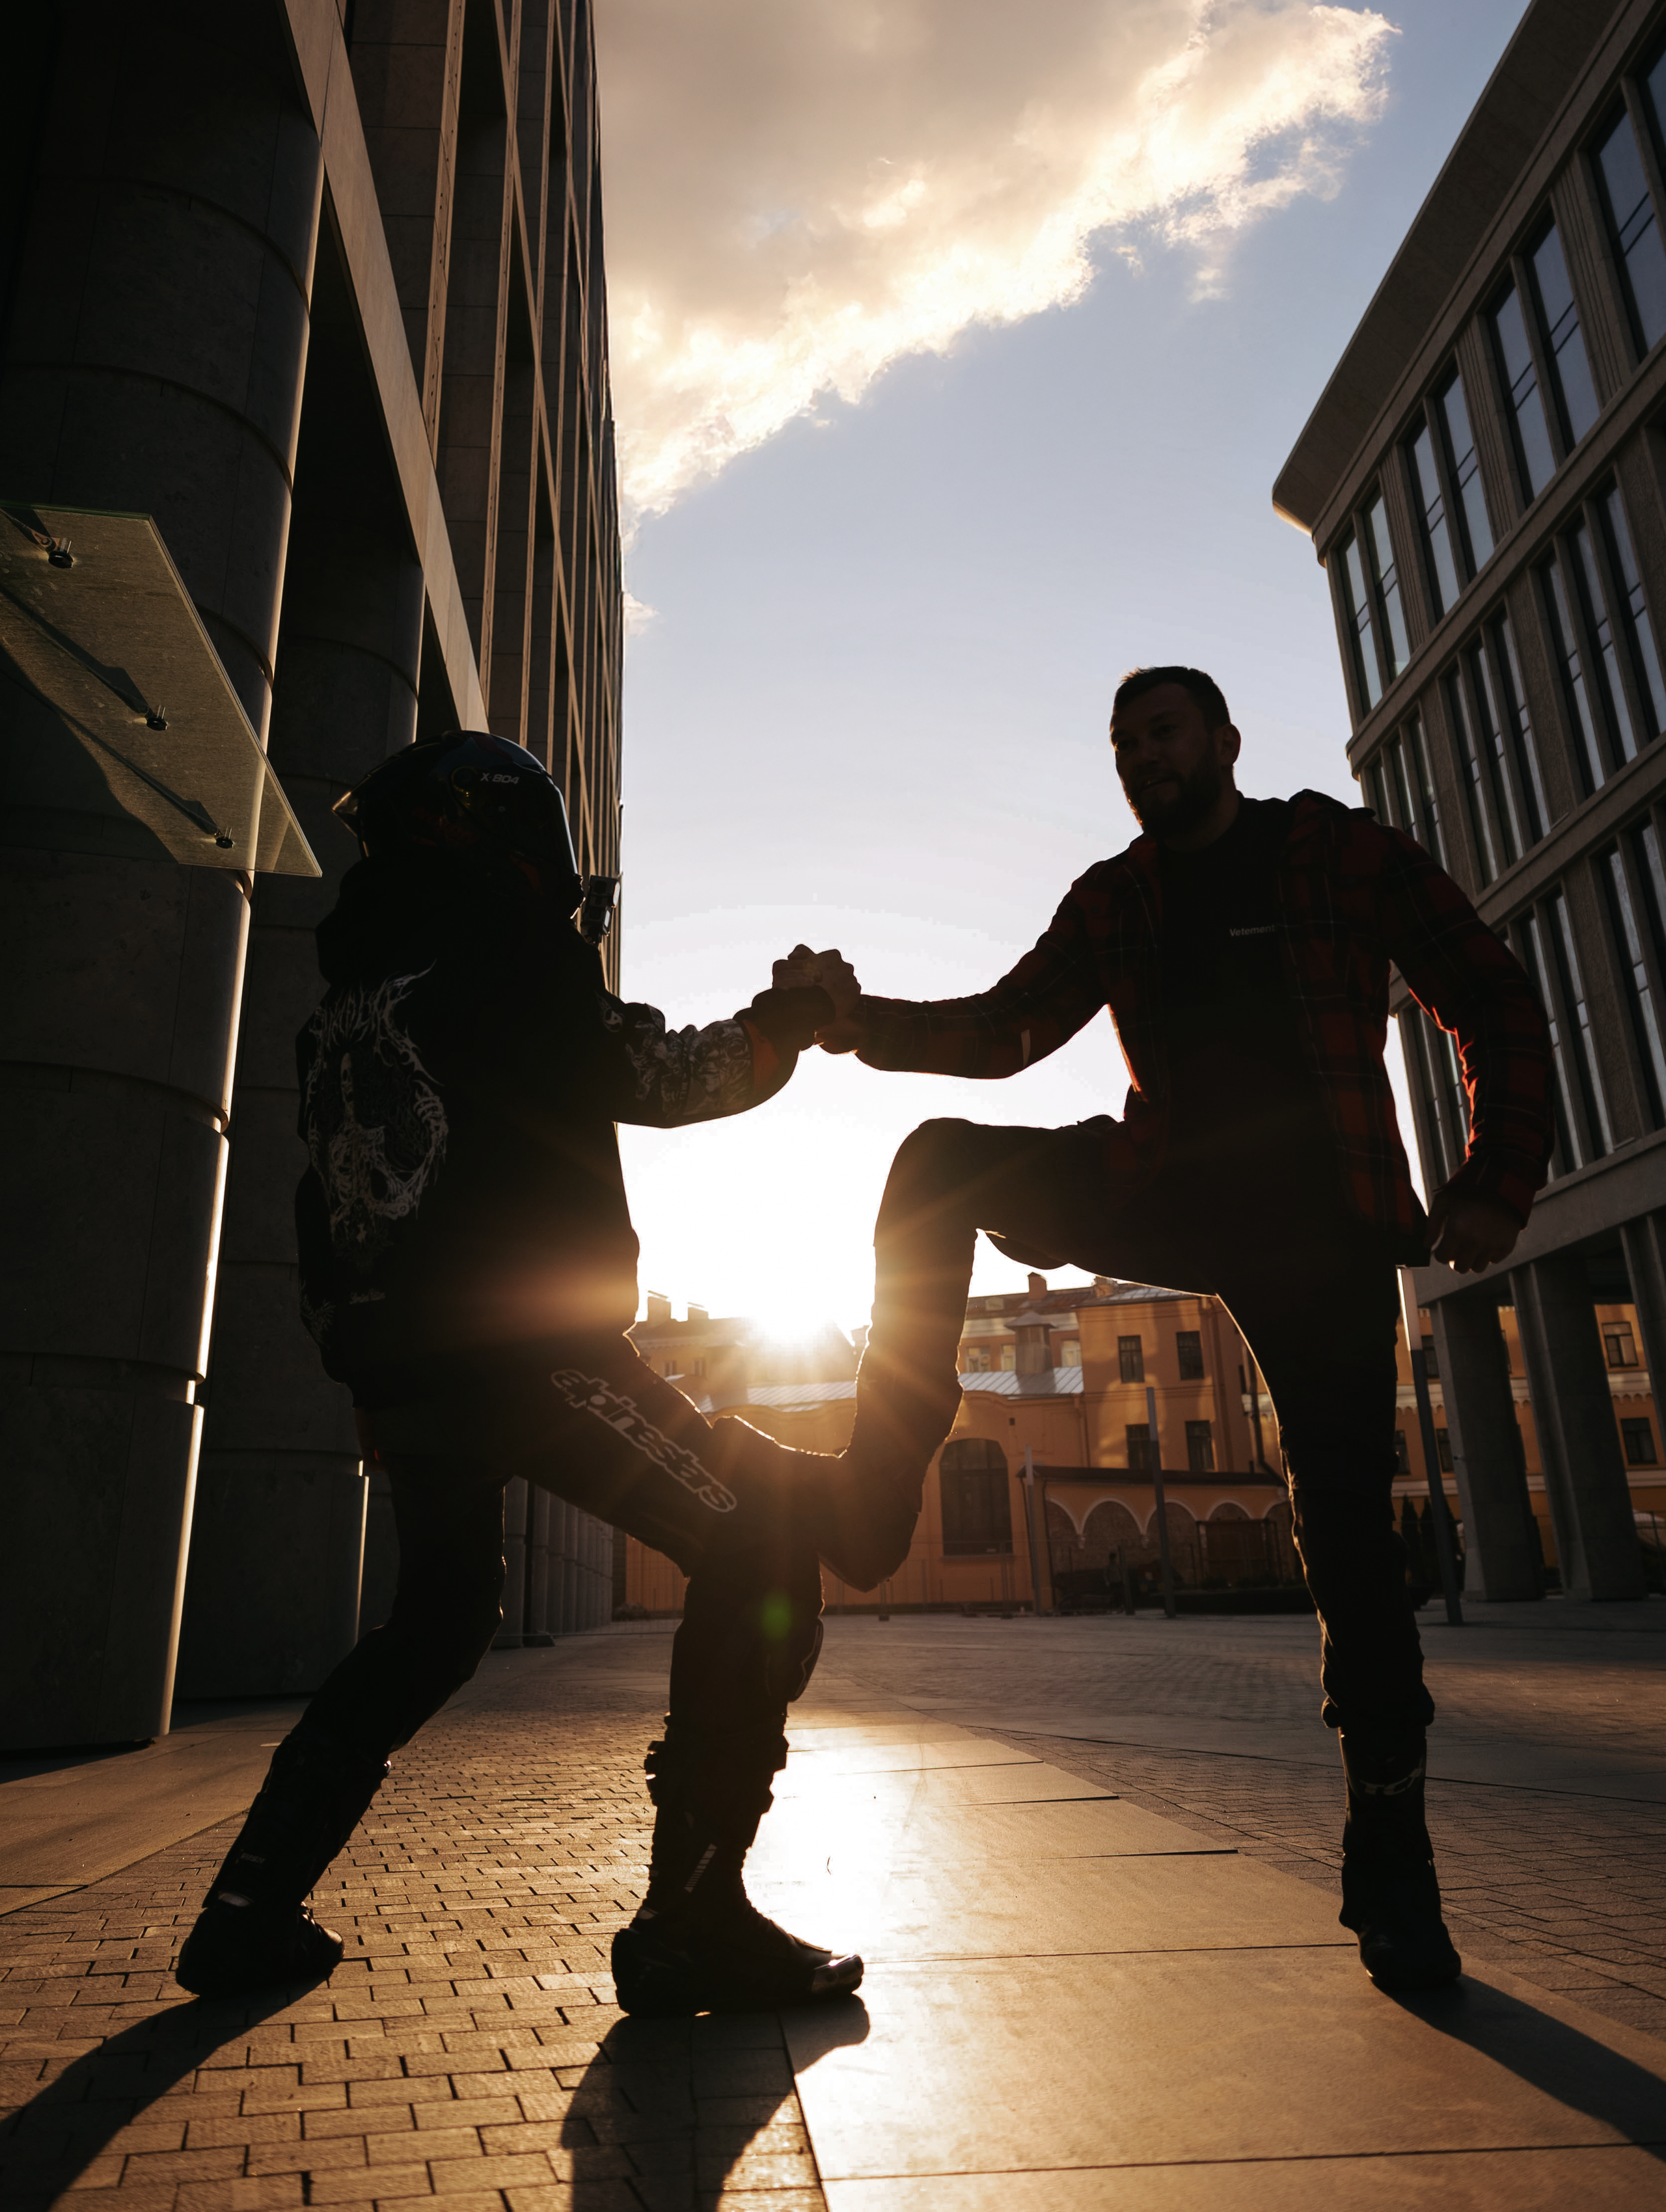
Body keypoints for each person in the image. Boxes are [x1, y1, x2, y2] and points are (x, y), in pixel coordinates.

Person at [793, 666, 1551, 1993]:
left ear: (1222, 743)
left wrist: (1493, 1179)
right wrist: (858, 1027)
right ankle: (874, 1490)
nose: (1143, 757)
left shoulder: (1337, 852)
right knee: (932, 1164)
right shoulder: (1117, 894)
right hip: (1161, 1188)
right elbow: (1005, 1028)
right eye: (1123, 742)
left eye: (1164, 733)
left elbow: (1488, 992)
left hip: (1319, 1224)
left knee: (1348, 1538)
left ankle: (1392, 1859)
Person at [175, 732, 864, 2017]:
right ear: (509, 844)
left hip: (404, 1371)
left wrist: (369, 1379)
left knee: (435, 1622)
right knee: (757, 1543)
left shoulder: (339, 1008)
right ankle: (692, 1915)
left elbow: (323, 1212)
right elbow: (661, 1075)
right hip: (531, 1355)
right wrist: (787, 1022)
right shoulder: (506, 951)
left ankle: (244, 1909)